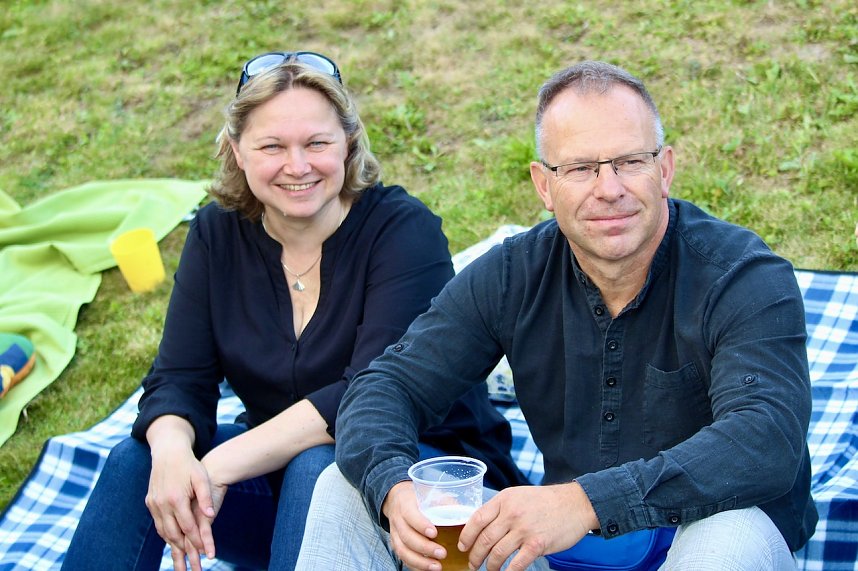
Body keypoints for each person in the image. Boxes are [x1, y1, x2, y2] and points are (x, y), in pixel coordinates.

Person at [294, 60, 819, 571]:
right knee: (346, 488)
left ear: (665, 169)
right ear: (544, 185)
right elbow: (384, 386)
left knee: (730, 533)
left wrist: (584, 502)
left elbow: (765, 439)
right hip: (561, 548)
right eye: (581, 168)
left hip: (701, 535)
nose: (608, 188)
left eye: (630, 161)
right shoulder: (511, 274)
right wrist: (394, 488)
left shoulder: (742, 275)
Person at [62, 51, 527, 571]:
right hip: (280, 496)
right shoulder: (217, 235)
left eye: (317, 143)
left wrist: (217, 465)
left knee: (320, 464)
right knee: (138, 461)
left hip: (426, 496)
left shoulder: (403, 232)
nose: (298, 166)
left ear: (347, 143)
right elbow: (177, 377)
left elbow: (369, 394)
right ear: (237, 150)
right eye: (272, 146)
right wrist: (173, 456)